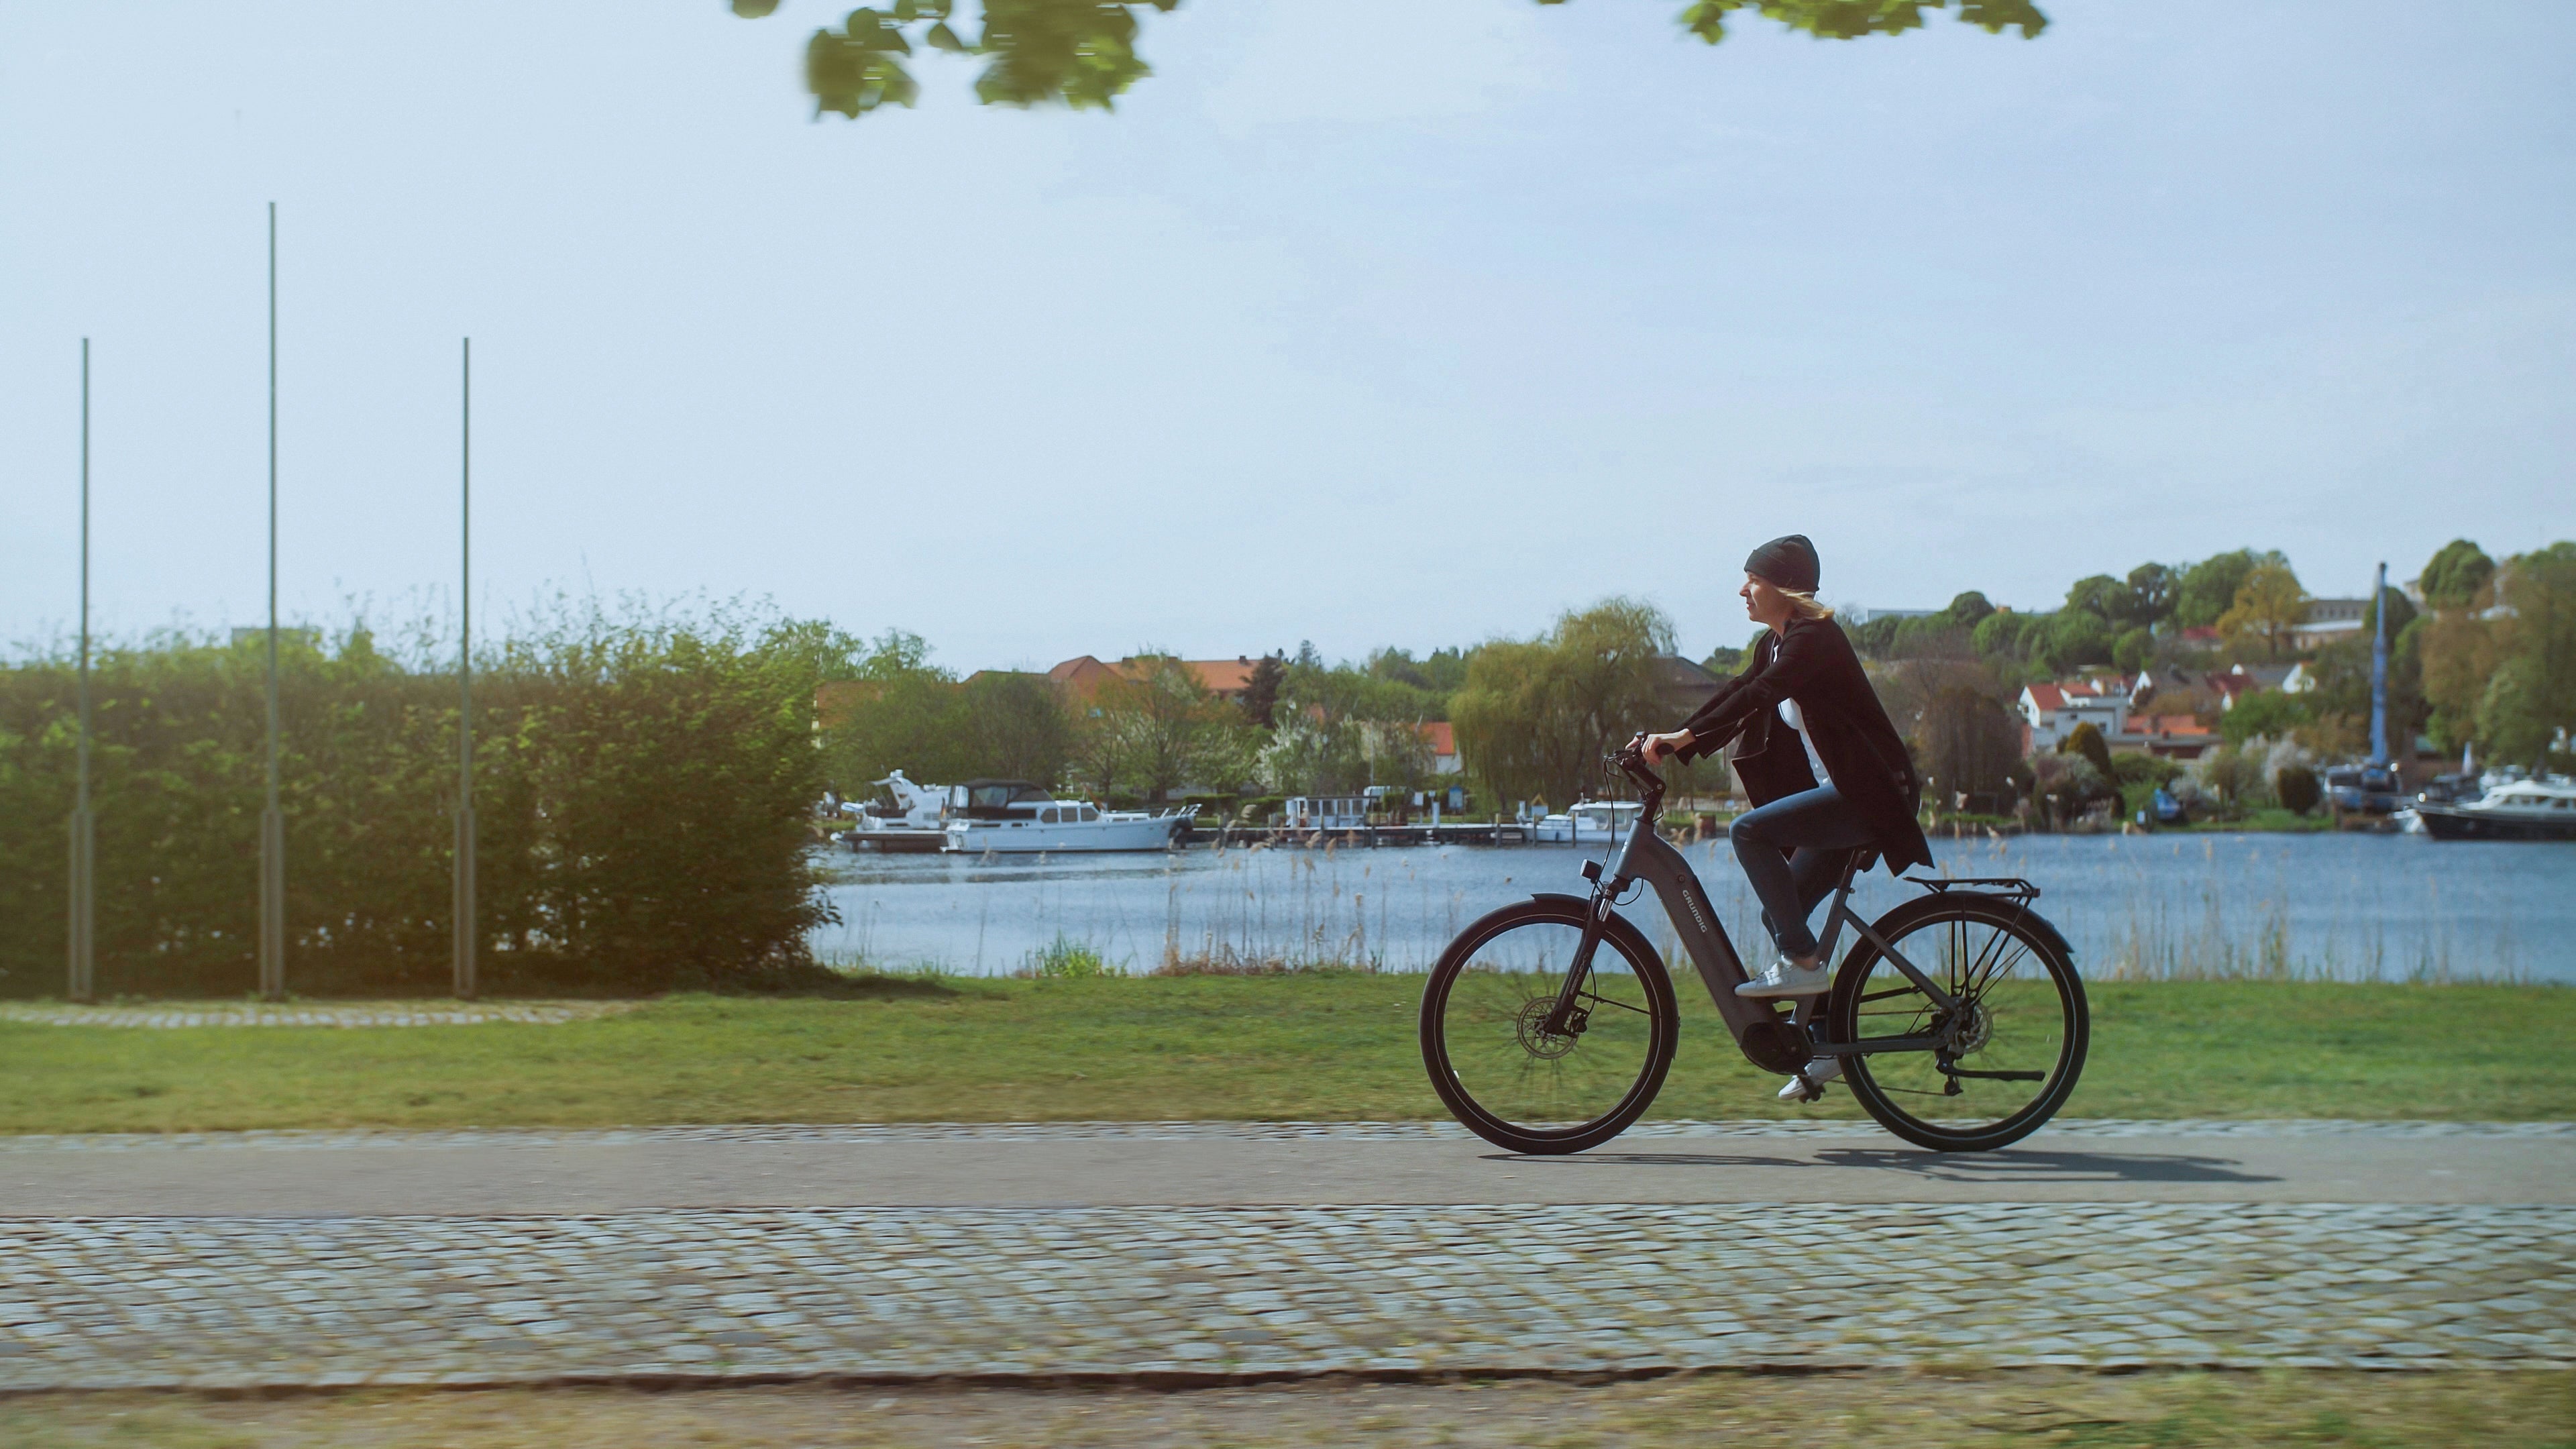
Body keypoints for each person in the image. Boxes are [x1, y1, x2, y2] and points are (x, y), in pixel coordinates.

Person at [1635, 534, 1932, 1100]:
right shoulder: (1775, 644)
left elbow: (1763, 694)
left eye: (1753, 579)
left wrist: (1680, 741)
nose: (1742, 589)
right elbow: (1741, 690)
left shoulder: (1813, 639)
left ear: (1784, 587)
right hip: (1843, 791)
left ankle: (1801, 963)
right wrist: (1676, 739)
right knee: (1783, 909)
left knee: (1749, 831)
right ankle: (1824, 1045)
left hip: (1871, 793)